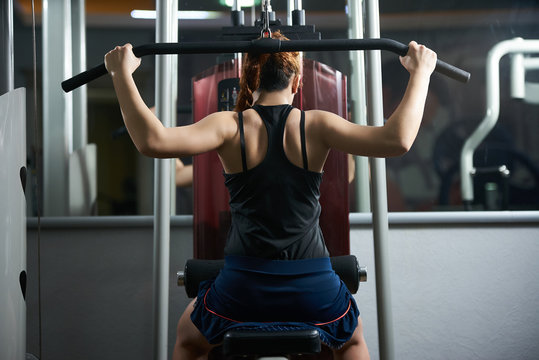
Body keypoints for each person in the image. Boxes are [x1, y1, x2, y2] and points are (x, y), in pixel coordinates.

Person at [104, 31, 437, 360]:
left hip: (243, 288)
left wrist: (121, 75)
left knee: (188, 340)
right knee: (351, 340)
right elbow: (398, 140)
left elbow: (153, 142)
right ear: (296, 83)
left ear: (249, 82)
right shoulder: (317, 124)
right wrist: (420, 72)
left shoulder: (229, 125)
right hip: (313, 287)